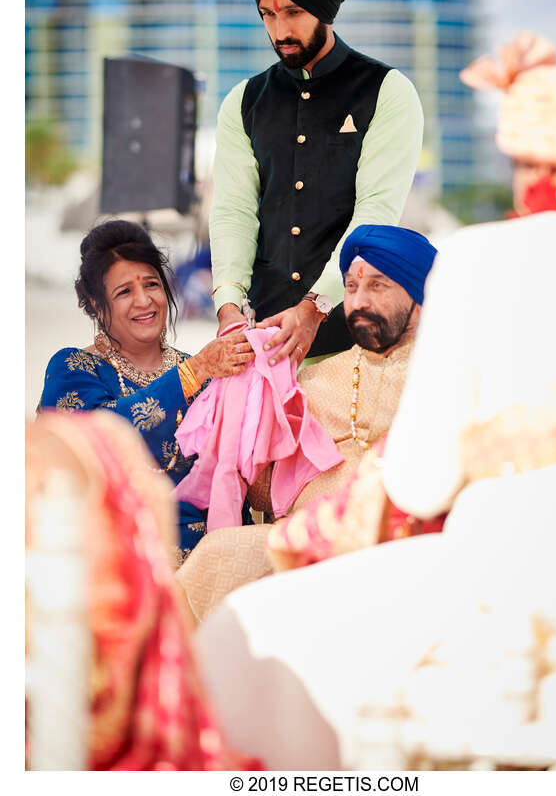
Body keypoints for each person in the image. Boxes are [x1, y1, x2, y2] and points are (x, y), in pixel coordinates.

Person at [193, 36, 556, 770]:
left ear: (538, 166)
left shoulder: (486, 258)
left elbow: (420, 480)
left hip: (503, 588)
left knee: (250, 637)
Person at [175, 224, 438, 621]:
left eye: (378, 286)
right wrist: (248, 399)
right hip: (303, 551)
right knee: (219, 553)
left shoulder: (445, 379)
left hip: (404, 551)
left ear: (420, 295)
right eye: (350, 288)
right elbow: (264, 498)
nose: (359, 301)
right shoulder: (308, 384)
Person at [209, 0, 424, 367]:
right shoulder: (243, 100)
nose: (280, 32)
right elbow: (233, 210)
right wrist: (229, 303)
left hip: (357, 341)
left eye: (293, 12)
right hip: (262, 344)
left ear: (324, 10)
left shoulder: (386, 91)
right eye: (268, 15)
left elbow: (376, 213)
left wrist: (315, 306)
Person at [26, 408, 262, 770]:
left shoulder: (110, 438)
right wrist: (191, 375)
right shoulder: (79, 386)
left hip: (192, 541)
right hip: (130, 567)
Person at [38, 219, 255, 566]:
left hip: (215, 559)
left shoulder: (209, 370)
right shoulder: (74, 369)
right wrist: (194, 372)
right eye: (124, 292)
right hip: (123, 565)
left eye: (152, 284)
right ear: (96, 303)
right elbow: (99, 440)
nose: (144, 300)